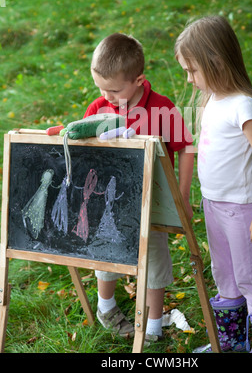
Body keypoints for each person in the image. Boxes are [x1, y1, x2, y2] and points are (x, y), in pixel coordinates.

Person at [175, 15, 252, 353]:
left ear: (217, 62)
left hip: (242, 209)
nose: (189, 80)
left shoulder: (243, 106)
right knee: (224, 272)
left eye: (192, 71)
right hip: (214, 206)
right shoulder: (211, 99)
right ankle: (231, 342)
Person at [84, 32, 194, 341]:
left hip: (152, 204)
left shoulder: (162, 108)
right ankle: (106, 308)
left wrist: (182, 196)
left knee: (155, 261)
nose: (106, 96)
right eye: (101, 88)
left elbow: (186, 148)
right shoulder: (98, 109)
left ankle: (153, 328)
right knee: (106, 253)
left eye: (114, 90)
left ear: (139, 80)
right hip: (110, 204)